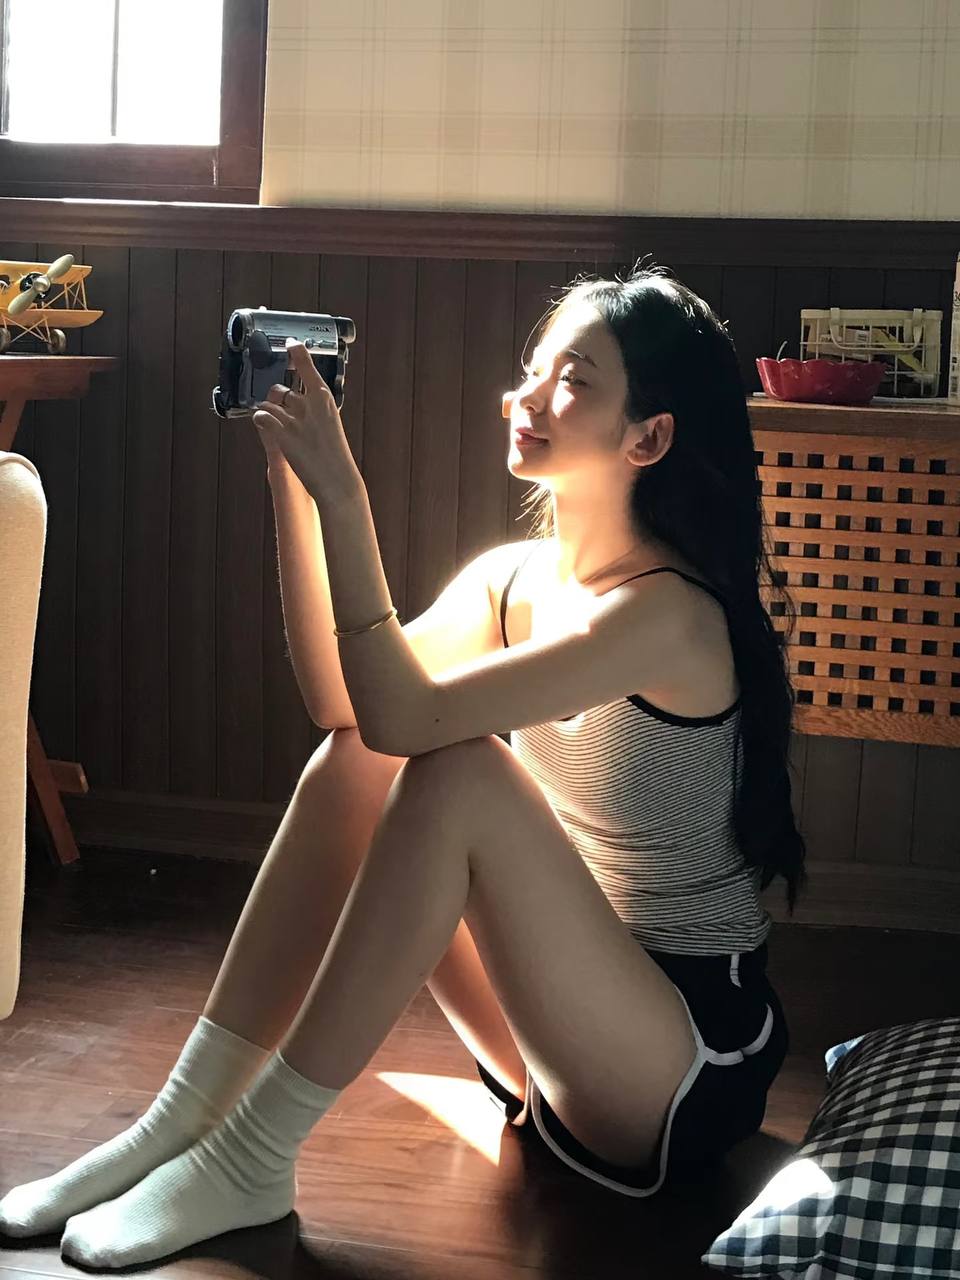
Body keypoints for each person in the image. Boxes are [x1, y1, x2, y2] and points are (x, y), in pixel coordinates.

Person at [0, 261, 806, 1267]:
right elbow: (345, 708)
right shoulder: (512, 579)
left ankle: (253, 1155)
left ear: (648, 438)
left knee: (456, 770)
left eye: (573, 381)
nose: (526, 396)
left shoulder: (667, 615)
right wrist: (294, 483)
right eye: (533, 368)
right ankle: (183, 1121)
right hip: (557, 1034)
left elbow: (403, 714)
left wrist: (347, 494)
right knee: (357, 763)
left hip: (681, 1063)